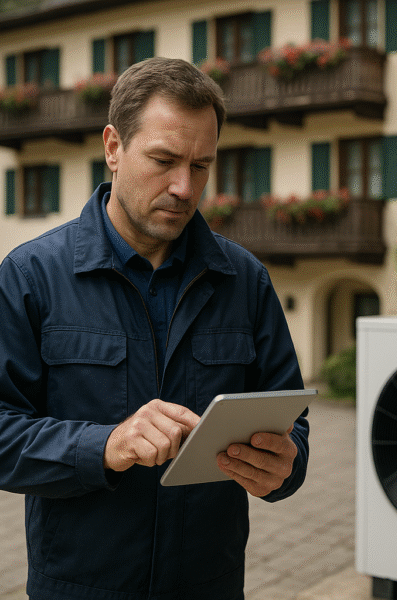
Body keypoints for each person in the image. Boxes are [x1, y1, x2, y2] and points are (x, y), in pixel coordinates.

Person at [0, 57, 309, 600]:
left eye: (202, 165)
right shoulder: (31, 276)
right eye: (164, 160)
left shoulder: (246, 281)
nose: (185, 187)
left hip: (209, 587)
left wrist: (286, 466)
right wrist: (106, 444)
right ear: (113, 147)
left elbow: (291, 421)